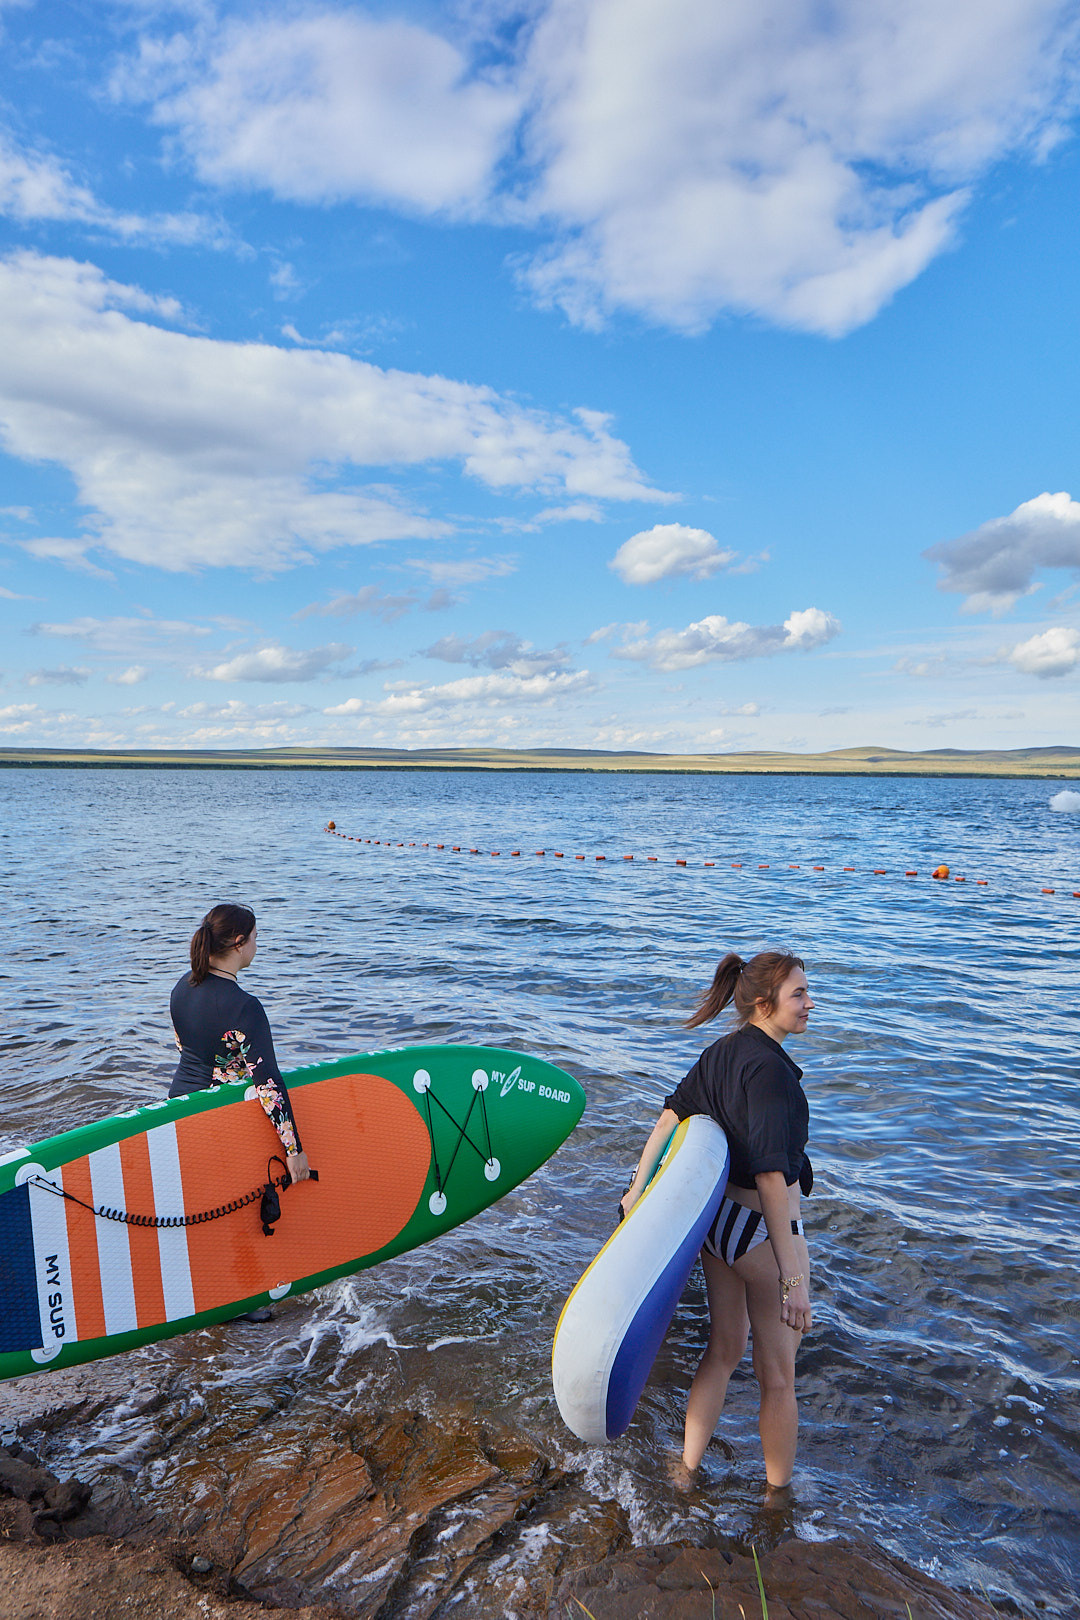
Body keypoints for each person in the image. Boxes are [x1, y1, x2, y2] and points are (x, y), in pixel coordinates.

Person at [619, 951, 814, 1489]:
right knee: (778, 1378)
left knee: (724, 1349)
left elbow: (668, 1118)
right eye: (798, 993)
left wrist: (636, 1190)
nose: (809, 1003)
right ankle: (778, 1503)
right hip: (760, 1231)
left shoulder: (721, 1052)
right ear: (763, 1003)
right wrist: (793, 1279)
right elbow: (772, 1178)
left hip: (717, 1223)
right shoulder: (770, 1071)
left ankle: (685, 1469)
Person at [170, 904, 310, 1186]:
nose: (256, 945)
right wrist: (294, 1151)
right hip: (217, 1114)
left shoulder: (183, 986)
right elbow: (267, 1085)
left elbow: (183, 1045)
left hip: (176, 1105)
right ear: (239, 944)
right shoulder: (245, 1007)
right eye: (255, 937)